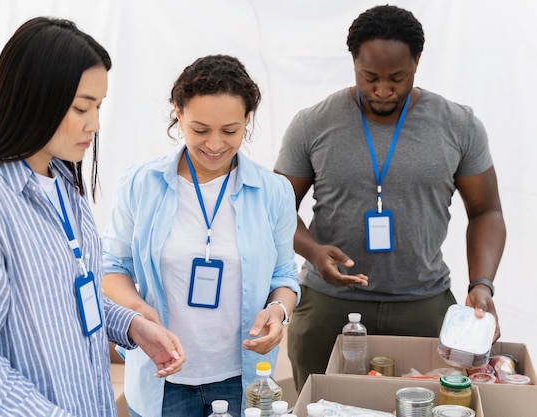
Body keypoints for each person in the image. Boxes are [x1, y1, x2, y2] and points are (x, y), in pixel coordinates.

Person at [0, 17, 185, 416]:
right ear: (35, 97)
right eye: (82, 107)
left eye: (98, 107)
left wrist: (130, 326)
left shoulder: (62, 181)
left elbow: (66, 295)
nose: (95, 124)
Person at [274, 4, 506, 392]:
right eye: (370, 77)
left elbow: (486, 210)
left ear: (417, 61)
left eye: (398, 77)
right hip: (328, 302)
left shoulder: (458, 124)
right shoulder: (313, 123)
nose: (383, 90)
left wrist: (482, 284)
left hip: (423, 303)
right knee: (319, 403)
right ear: (353, 64)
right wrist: (313, 251)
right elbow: (277, 208)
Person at [101, 54, 300, 417]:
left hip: (244, 379)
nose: (214, 144)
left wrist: (278, 311)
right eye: (200, 129)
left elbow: (285, 275)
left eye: (230, 131)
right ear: (177, 113)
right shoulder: (141, 183)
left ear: (247, 122)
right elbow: (113, 266)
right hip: (161, 376)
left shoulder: (274, 191)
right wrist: (137, 309)